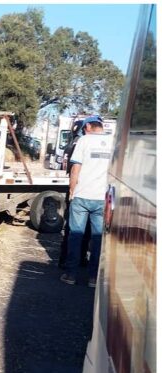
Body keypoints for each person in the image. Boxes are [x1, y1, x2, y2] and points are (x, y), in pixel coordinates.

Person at [60, 115, 112, 287]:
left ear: (89, 126)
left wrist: (71, 191)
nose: (83, 130)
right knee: (98, 238)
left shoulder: (84, 141)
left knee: (76, 236)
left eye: (84, 128)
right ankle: (93, 278)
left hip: (82, 196)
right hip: (102, 198)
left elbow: (75, 168)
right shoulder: (114, 142)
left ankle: (71, 275)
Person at [57, 119, 91, 270]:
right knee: (81, 230)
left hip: (77, 189)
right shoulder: (81, 143)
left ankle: (67, 260)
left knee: (73, 229)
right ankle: (76, 260)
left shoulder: (75, 143)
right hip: (82, 190)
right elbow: (73, 169)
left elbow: (69, 169)